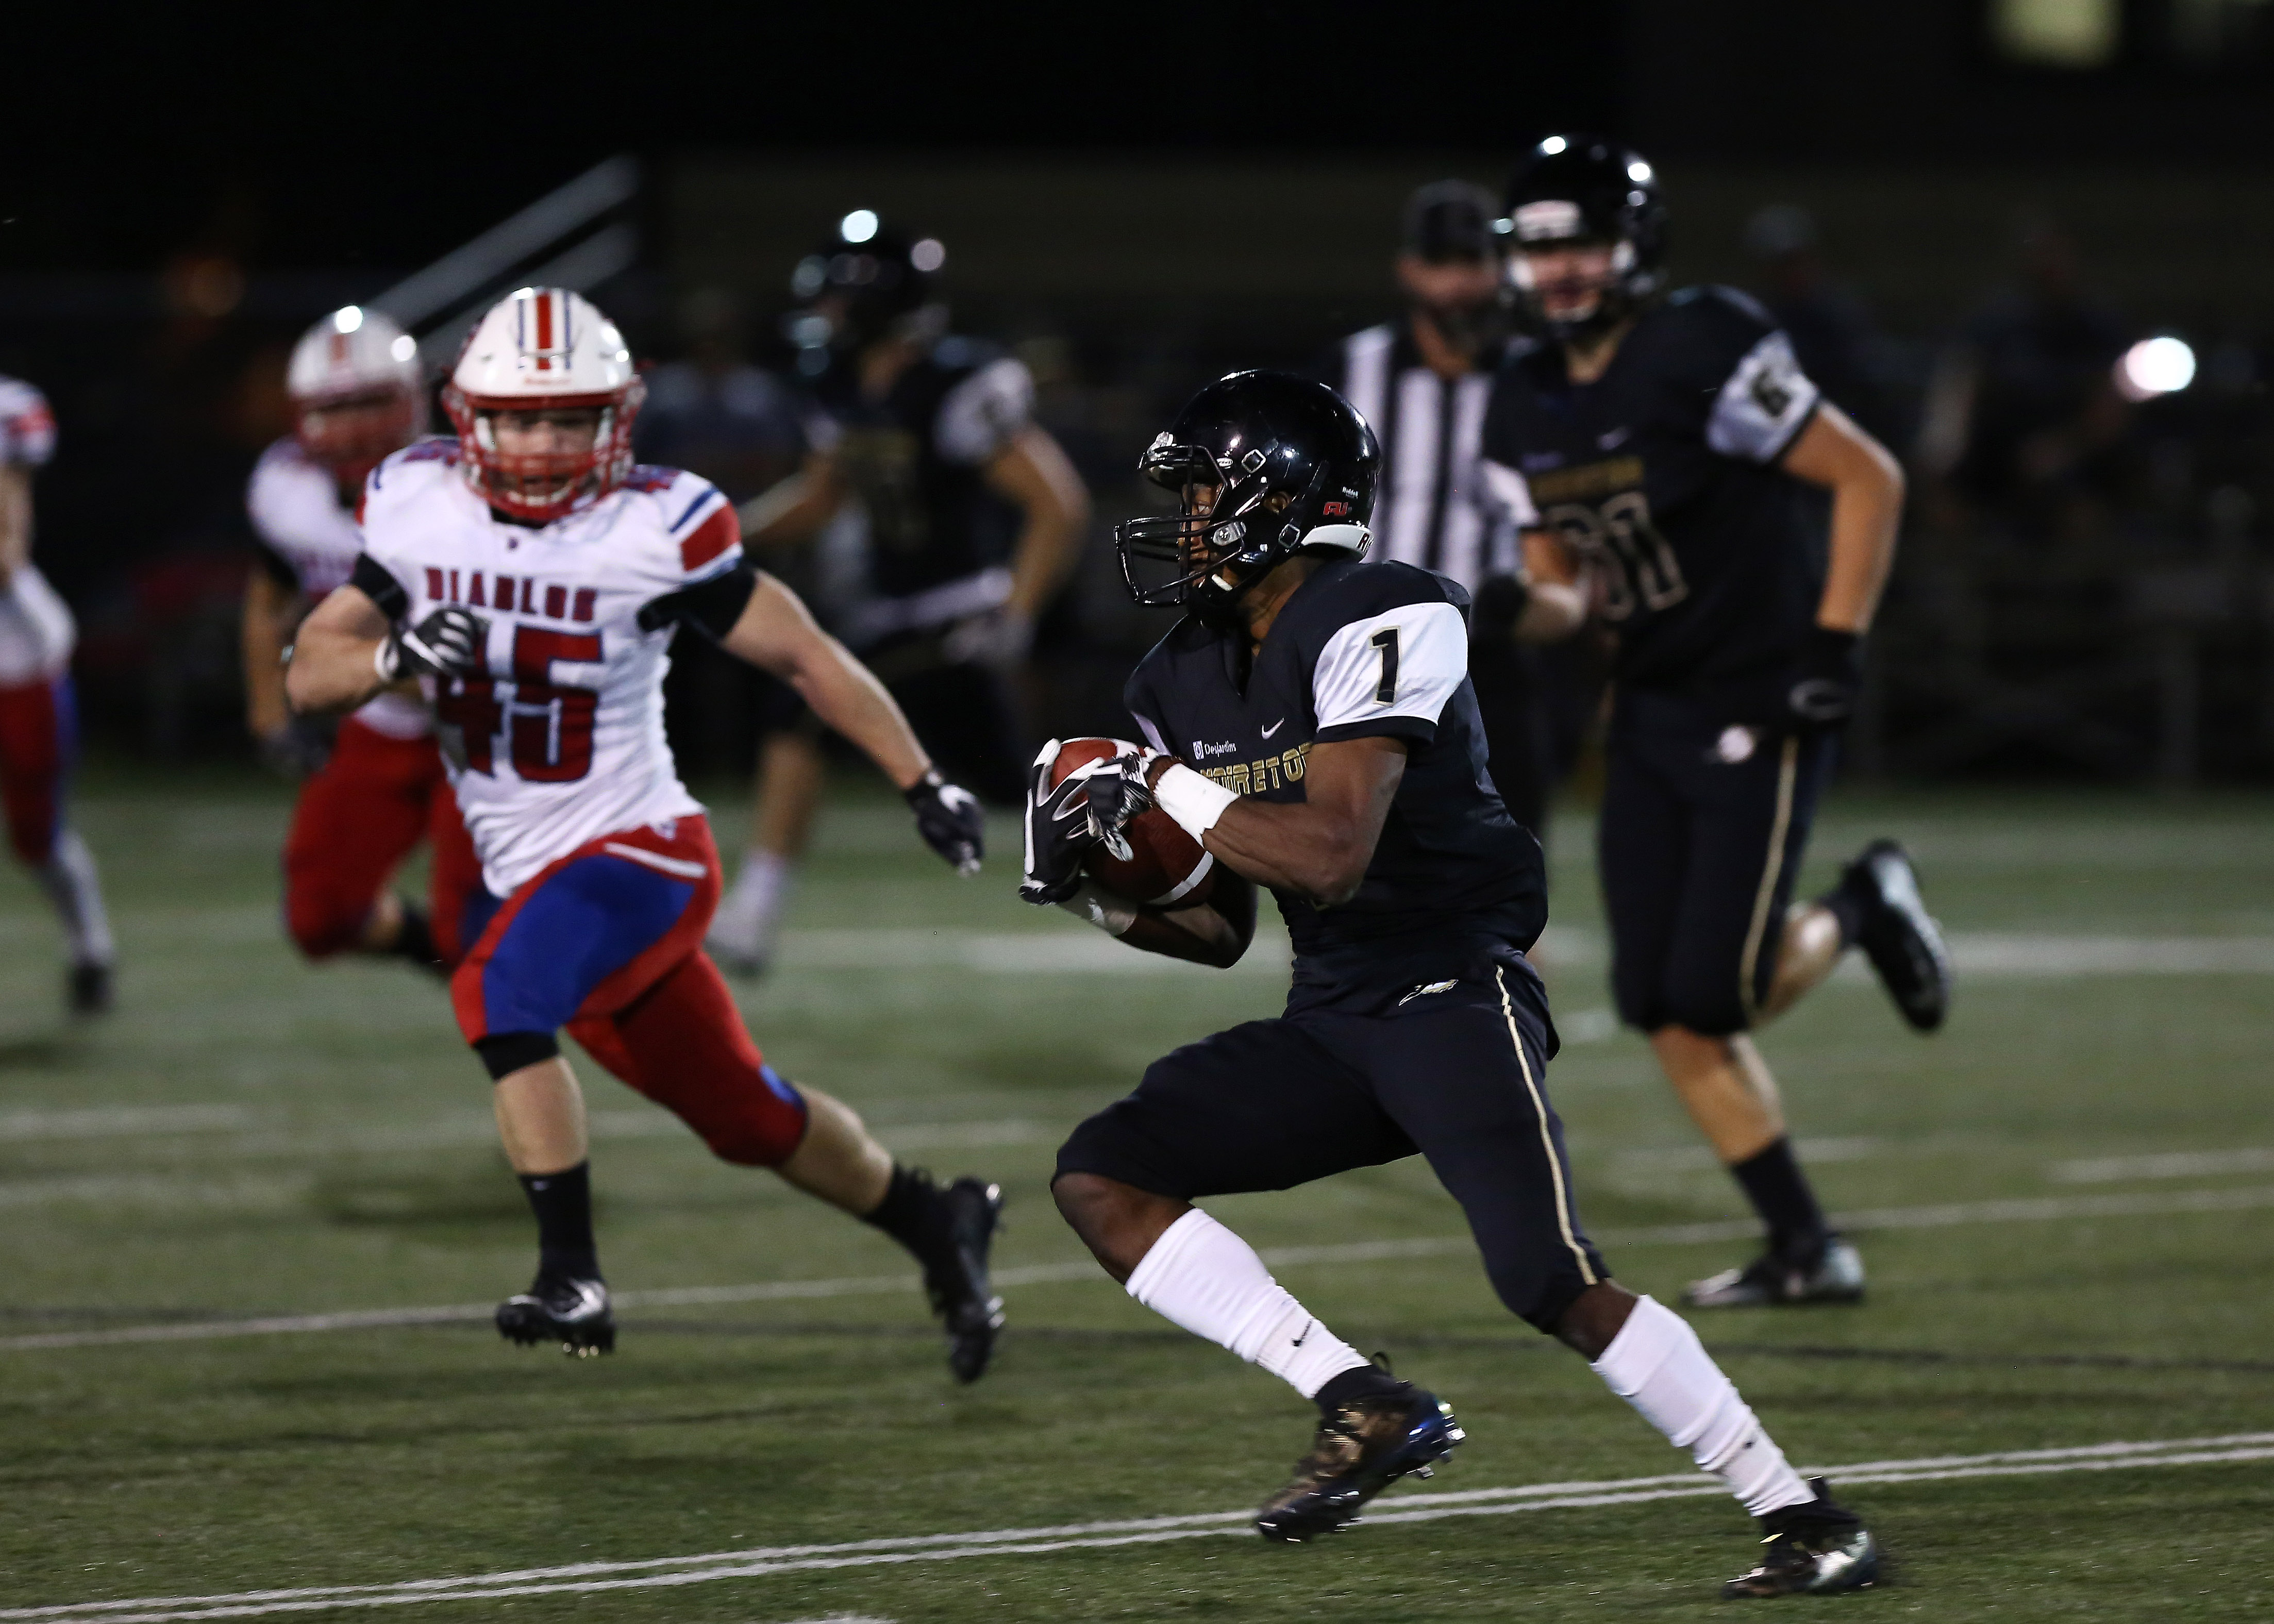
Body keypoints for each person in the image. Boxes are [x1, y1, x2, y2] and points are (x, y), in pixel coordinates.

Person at [1026, 370, 1881, 1598]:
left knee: (1547, 1279)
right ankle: (1359, 1398)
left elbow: (1331, 852)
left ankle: (1803, 1513)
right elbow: (1216, 930)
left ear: (1286, 495)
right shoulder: (1178, 676)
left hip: (1453, 987)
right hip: (1333, 1015)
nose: (1192, 514)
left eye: (1210, 487)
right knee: (1103, 1175)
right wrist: (1098, 886)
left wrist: (1156, 789)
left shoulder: (1392, 609)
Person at [283, 287, 1006, 1381]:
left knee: (496, 994)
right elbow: (309, 670)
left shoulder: (653, 528)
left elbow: (806, 655)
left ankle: (571, 1272)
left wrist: (921, 779)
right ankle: (934, 1218)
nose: (541, 443)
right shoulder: (417, 506)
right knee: (749, 1121)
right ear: (466, 417)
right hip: (527, 863)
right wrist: (393, 657)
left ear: (615, 421)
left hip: (642, 851)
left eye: (570, 420)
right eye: (520, 419)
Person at [1478, 136, 1952, 1310]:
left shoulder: (1701, 343)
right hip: (1646, 702)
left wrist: (1834, 646)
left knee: (1719, 990)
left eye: (1582, 242)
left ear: (1633, 246)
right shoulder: (1521, 396)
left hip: (1760, 686)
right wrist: (1495, 612)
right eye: (1541, 247)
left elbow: (1866, 478)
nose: (1562, 270)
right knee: (1658, 1006)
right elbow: (1568, 593)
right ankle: (1805, 1243)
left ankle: (1860, 904)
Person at [707, 212, 1090, 973]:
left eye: (838, 302)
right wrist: (724, 532)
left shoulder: (953, 384)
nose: (824, 317)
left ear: (877, 305)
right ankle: (1155, 871)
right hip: (895, 611)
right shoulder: (841, 385)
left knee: (806, 701)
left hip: (957, 609)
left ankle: (752, 914)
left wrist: (1015, 614)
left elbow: (1059, 504)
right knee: (1010, 790)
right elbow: (823, 497)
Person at [1322, 179, 1577, 842]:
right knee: (1355, 858)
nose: (1460, 285)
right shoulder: (1355, 368)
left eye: (1474, 263)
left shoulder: (1535, 380)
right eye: (1444, 264)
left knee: (1508, 860)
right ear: (1410, 270)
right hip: (1366, 644)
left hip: (1489, 646)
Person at [244, 306, 481, 972]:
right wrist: (269, 714)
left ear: (413, 400)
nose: (351, 427)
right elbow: (268, 599)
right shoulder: (286, 488)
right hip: (380, 723)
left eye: (371, 402)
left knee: (480, 925)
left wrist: (359, 667)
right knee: (319, 914)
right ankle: (427, 946)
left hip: (482, 729)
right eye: (333, 408)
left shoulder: (469, 488)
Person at [0, 374, 115, 1014]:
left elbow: (5, 555)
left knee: (36, 832)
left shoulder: (10, 412)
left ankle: (90, 949)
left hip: (16, 655)